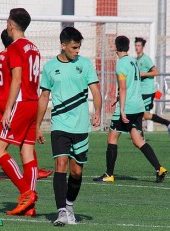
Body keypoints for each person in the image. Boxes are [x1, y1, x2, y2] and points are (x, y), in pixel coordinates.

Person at [36, 27, 102, 226]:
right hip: (59, 124)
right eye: (74, 47)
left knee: (76, 172)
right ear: (63, 46)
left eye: (79, 47)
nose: (77, 51)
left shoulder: (85, 64)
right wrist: (37, 125)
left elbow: (96, 91)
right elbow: (44, 97)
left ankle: (70, 205)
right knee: (61, 164)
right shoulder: (49, 68)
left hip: (81, 126)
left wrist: (98, 112)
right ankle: (61, 212)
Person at [93, 36, 167, 183]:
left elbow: (123, 87)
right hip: (138, 106)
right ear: (127, 47)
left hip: (127, 108)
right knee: (137, 140)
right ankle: (160, 168)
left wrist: (122, 109)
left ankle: (109, 174)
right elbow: (133, 85)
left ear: (116, 47)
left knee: (112, 138)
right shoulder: (134, 61)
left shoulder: (121, 64)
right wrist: (119, 98)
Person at [0, 29, 53, 181]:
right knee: (17, 141)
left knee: (0, 138)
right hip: (11, 101)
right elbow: (16, 78)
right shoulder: (14, 52)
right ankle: (29, 179)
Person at [0, 8, 39, 216]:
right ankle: (30, 207)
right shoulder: (33, 47)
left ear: (11, 25)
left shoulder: (14, 47)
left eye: (7, 22)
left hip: (20, 104)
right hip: (33, 102)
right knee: (27, 151)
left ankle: (26, 193)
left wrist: (8, 109)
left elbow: (17, 80)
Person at [135, 37, 170, 136]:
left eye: (139, 45)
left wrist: (144, 74)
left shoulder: (146, 59)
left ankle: (167, 123)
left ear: (143, 47)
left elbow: (156, 72)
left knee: (144, 114)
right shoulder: (136, 60)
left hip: (148, 91)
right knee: (143, 114)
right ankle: (168, 124)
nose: (137, 47)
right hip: (140, 91)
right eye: (136, 45)